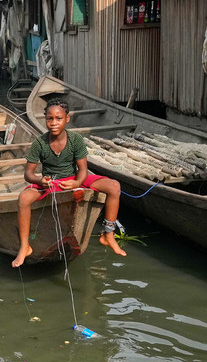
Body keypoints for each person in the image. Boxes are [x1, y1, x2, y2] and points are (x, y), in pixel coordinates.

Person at [11, 97, 125, 266]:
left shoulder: (75, 140)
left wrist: (77, 183)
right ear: (45, 120)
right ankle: (25, 246)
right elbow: (28, 174)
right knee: (23, 199)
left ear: (67, 118)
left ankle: (108, 234)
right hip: (50, 182)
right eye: (49, 119)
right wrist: (41, 180)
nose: (54, 123)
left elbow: (83, 170)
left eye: (59, 118)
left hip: (73, 180)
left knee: (114, 186)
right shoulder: (39, 143)